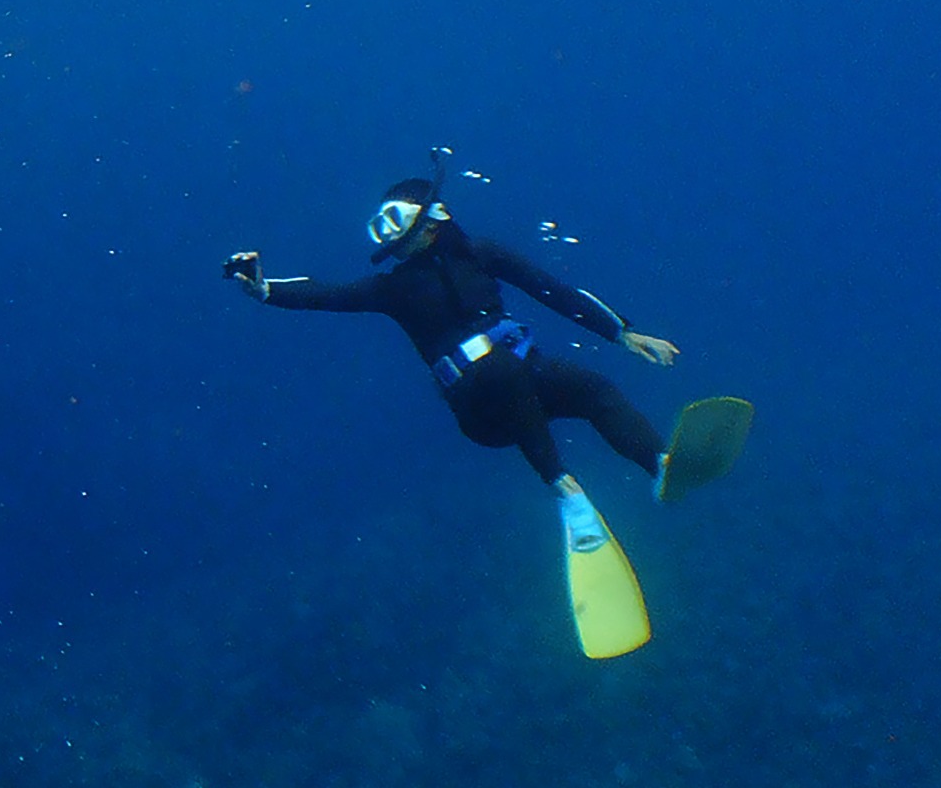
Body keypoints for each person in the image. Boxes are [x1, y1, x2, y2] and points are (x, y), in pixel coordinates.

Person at [223, 166, 680, 551]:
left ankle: (659, 465)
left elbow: (552, 290)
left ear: (435, 218)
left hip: (523, 380)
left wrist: (622, 332)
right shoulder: (394, 288)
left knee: (592, 388)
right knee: (499, 367)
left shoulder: (483, 255)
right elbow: (326, 294)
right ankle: (569, 496)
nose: (395, 238)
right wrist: (264, 289)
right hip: (480, 410)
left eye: (401, 222)